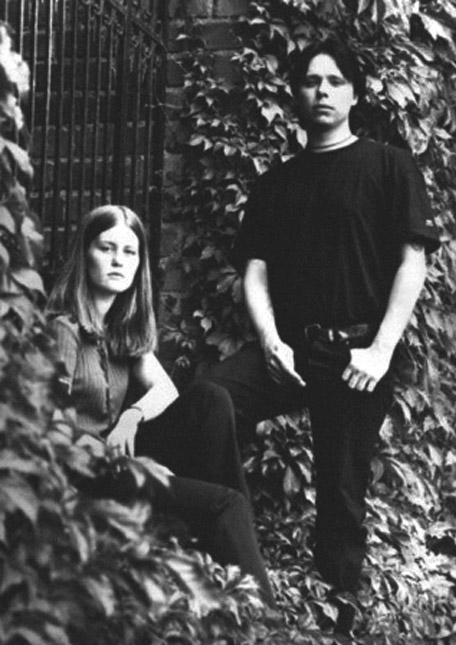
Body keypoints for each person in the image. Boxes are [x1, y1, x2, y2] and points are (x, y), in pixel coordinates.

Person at [204, 37, 439, 635]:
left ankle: (339, 622)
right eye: (311, 81)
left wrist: (380, 350)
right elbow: (255, 270)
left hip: (358, 353)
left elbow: (413, 261)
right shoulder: (276, 182)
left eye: (335, 81)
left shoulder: (388, 165)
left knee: (340, 494)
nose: (323, 91)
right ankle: (237, 560)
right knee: (212, 400)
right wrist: (269, 341)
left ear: (355, 94)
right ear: (296, 95)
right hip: (289, 351)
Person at [46, 204, 275, 607]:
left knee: (210, 397)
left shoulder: (120, 327)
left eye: (129, 251)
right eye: (106, 248)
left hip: (117, 456)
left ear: (140, 263)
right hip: (84, 471)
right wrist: (135, 465)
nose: (118, 260)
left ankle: (218, 528)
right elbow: (52, 426)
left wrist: (131, 416)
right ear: (85, 254)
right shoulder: (63, 328)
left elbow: (166, 390)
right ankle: (267, 619)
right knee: (227, 503)